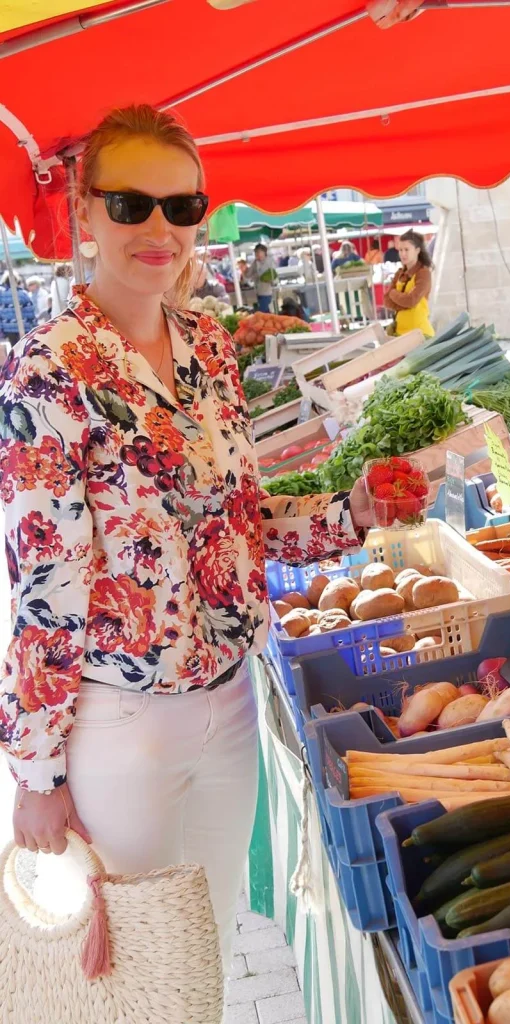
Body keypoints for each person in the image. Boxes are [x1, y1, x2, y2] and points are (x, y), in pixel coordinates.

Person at [0, 103, 373, 985]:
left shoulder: (205, 340)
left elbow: (236, 518)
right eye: (130, 206)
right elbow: (47, 580)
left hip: (231, 701)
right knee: (129, 970)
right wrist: (36, 770)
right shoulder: (48, 367)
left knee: (203, 942)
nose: (158, 229)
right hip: (122, 722)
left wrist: (351, 511)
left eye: (182, 206)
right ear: (84, 215)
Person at [383, 229, 435, 338]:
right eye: (400, 250)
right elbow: (386, 300)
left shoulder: (423, 273)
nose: (403, 254)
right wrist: (405, 302)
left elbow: (411, 300)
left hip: (420, 334)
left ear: (417, 250)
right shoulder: (399, 273)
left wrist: (393, 293)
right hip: (400, 334)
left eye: (407, 250)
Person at [0, 272, 36, 341]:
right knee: (23, 348)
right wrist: (34, 325)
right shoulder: (22, 294)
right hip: (23, 327)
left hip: (8, 328)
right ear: (16, 281)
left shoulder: (1, 295)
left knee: (14, 348)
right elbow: (31, 311)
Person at [247, 242, 276, 313]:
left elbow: (273, 276)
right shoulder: (255, 263)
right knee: (266, 313)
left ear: (264, 252)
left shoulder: (269, 262)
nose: (257, 254)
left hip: (267, 292)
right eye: (256, 252)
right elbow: (248, 274)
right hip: (258, 292)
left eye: (259, 252)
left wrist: (267, 279)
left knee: (262, 312)